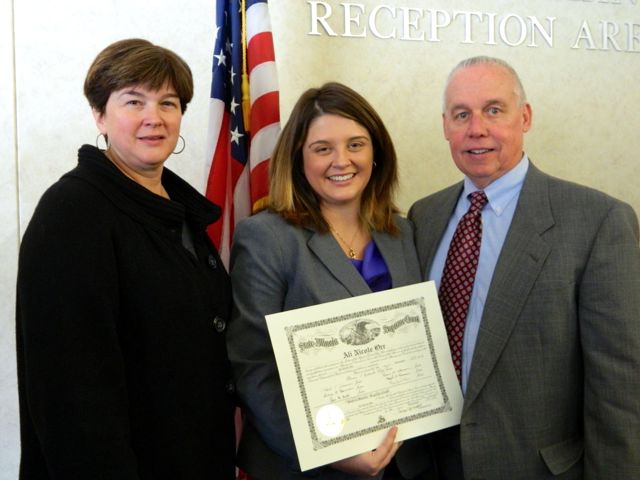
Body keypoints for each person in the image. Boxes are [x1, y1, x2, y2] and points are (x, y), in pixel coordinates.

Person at [408, 56, 640, 479]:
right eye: (462, 114)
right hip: (431, 465)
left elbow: (619, 385)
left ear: (525, 117)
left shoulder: (598, 221)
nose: (477, 128)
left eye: (494, 110)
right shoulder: (423, 216)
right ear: (445, 126)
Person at [16, 38, 235, 479]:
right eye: (134, 101)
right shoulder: (72, 213)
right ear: (99, 114)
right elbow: (71, 397)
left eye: (168, 103)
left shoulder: (177, 207)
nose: (155, 117)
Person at [226, 82, 431, 479]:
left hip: (402, 463)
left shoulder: (403, 233)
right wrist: (330, 453)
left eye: (356, 145)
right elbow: (253, 366)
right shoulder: (267, 238)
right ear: (298, 158)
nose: (342, 161)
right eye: (323, 149)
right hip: (305, 466)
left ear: (376, 152)